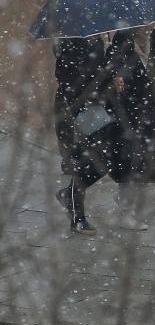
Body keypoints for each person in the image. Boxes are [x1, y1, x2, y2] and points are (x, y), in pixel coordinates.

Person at [106, 26, 155, 231]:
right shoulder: (121, 40)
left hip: (151, 111)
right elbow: (110, 73)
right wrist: (115, 79)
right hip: (128, 114)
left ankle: (127, 204)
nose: (146, 25)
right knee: (128, 162)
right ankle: (125, 210)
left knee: (145, 161)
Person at [53, 34, 113, 234]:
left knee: (103, 160)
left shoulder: (97, 41)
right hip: (73, 108)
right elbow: (68, 76)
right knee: (83, 161)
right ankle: (77, 217)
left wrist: (110, 77)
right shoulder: (69, 42)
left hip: (92, 109)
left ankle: (68, 195)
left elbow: (97, 76)